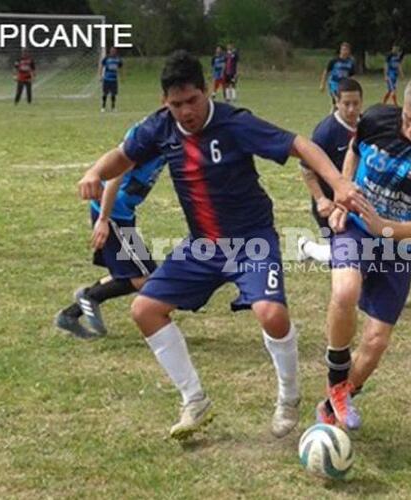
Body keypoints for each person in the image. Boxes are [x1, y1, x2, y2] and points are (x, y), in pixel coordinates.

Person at [77, 51, 360, 440]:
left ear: (207, 90)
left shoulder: (234, 123)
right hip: (203, 246)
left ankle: (288, 396)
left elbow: (299, 145)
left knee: (271, 314)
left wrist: (339, 183)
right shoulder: (160, 128)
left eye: (192, 100)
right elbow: (122, 157)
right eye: (176, 104)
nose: (185, 111)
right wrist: (94, 171)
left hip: (251, 241)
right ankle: (194, 400)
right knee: (145, 310)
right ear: (165, 102)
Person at [315, 72, 411, 430]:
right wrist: (342, 194)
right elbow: (353, 151)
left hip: (398, 245)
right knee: (345, 290)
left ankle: (336, 403)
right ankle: (337, 385)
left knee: (377, 341)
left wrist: (385, 228)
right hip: (356, 228)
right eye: (407, 118)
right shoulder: (377, 118)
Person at [56, 125, 165, 338]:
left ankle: (71, 314)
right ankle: (89, 297)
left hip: (121, 213)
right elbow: (115, 175)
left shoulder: (168, 135)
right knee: (145, 276)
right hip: (113, 214)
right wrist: (104, 219)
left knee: (128, 273)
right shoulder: (149, 137)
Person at [298, 78, 363, 263]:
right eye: (346, 104)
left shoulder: (366, 125)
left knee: (360, 251)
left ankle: (307, 248)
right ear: (336, 102)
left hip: (355, 199)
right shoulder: (326, 132)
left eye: (356, 103)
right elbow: (306, 168)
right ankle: (306, 247)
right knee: (344, 256)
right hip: (329, 203)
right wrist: (320, 200)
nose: (351, 109)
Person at [320, 42, 356, 108]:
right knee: (338, 102)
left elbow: (352, 76)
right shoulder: (334, 61)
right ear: (340, 50)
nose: (345, 51)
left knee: (338, 105)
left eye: (346, 50)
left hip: (344, 85)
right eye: (343, 49)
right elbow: (326, 72)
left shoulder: (351, 63)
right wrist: (322, 84)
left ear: (349, 51)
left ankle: (333, 116)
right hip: (334, 84)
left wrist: (353, 86)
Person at [100, 47, 124, 112]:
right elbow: (102, 66)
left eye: (114, 51)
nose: (113, 52)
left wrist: (122, 77)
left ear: (115, 51)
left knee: (113, 94)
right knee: (105, 93)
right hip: (106, 79)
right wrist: (101, 76)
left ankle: (113, 107)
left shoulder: (118, 59)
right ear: (110, 51)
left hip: (114, 80)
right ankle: (103, 107)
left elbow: (121, 68)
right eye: (111, 50)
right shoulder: (106, 58)